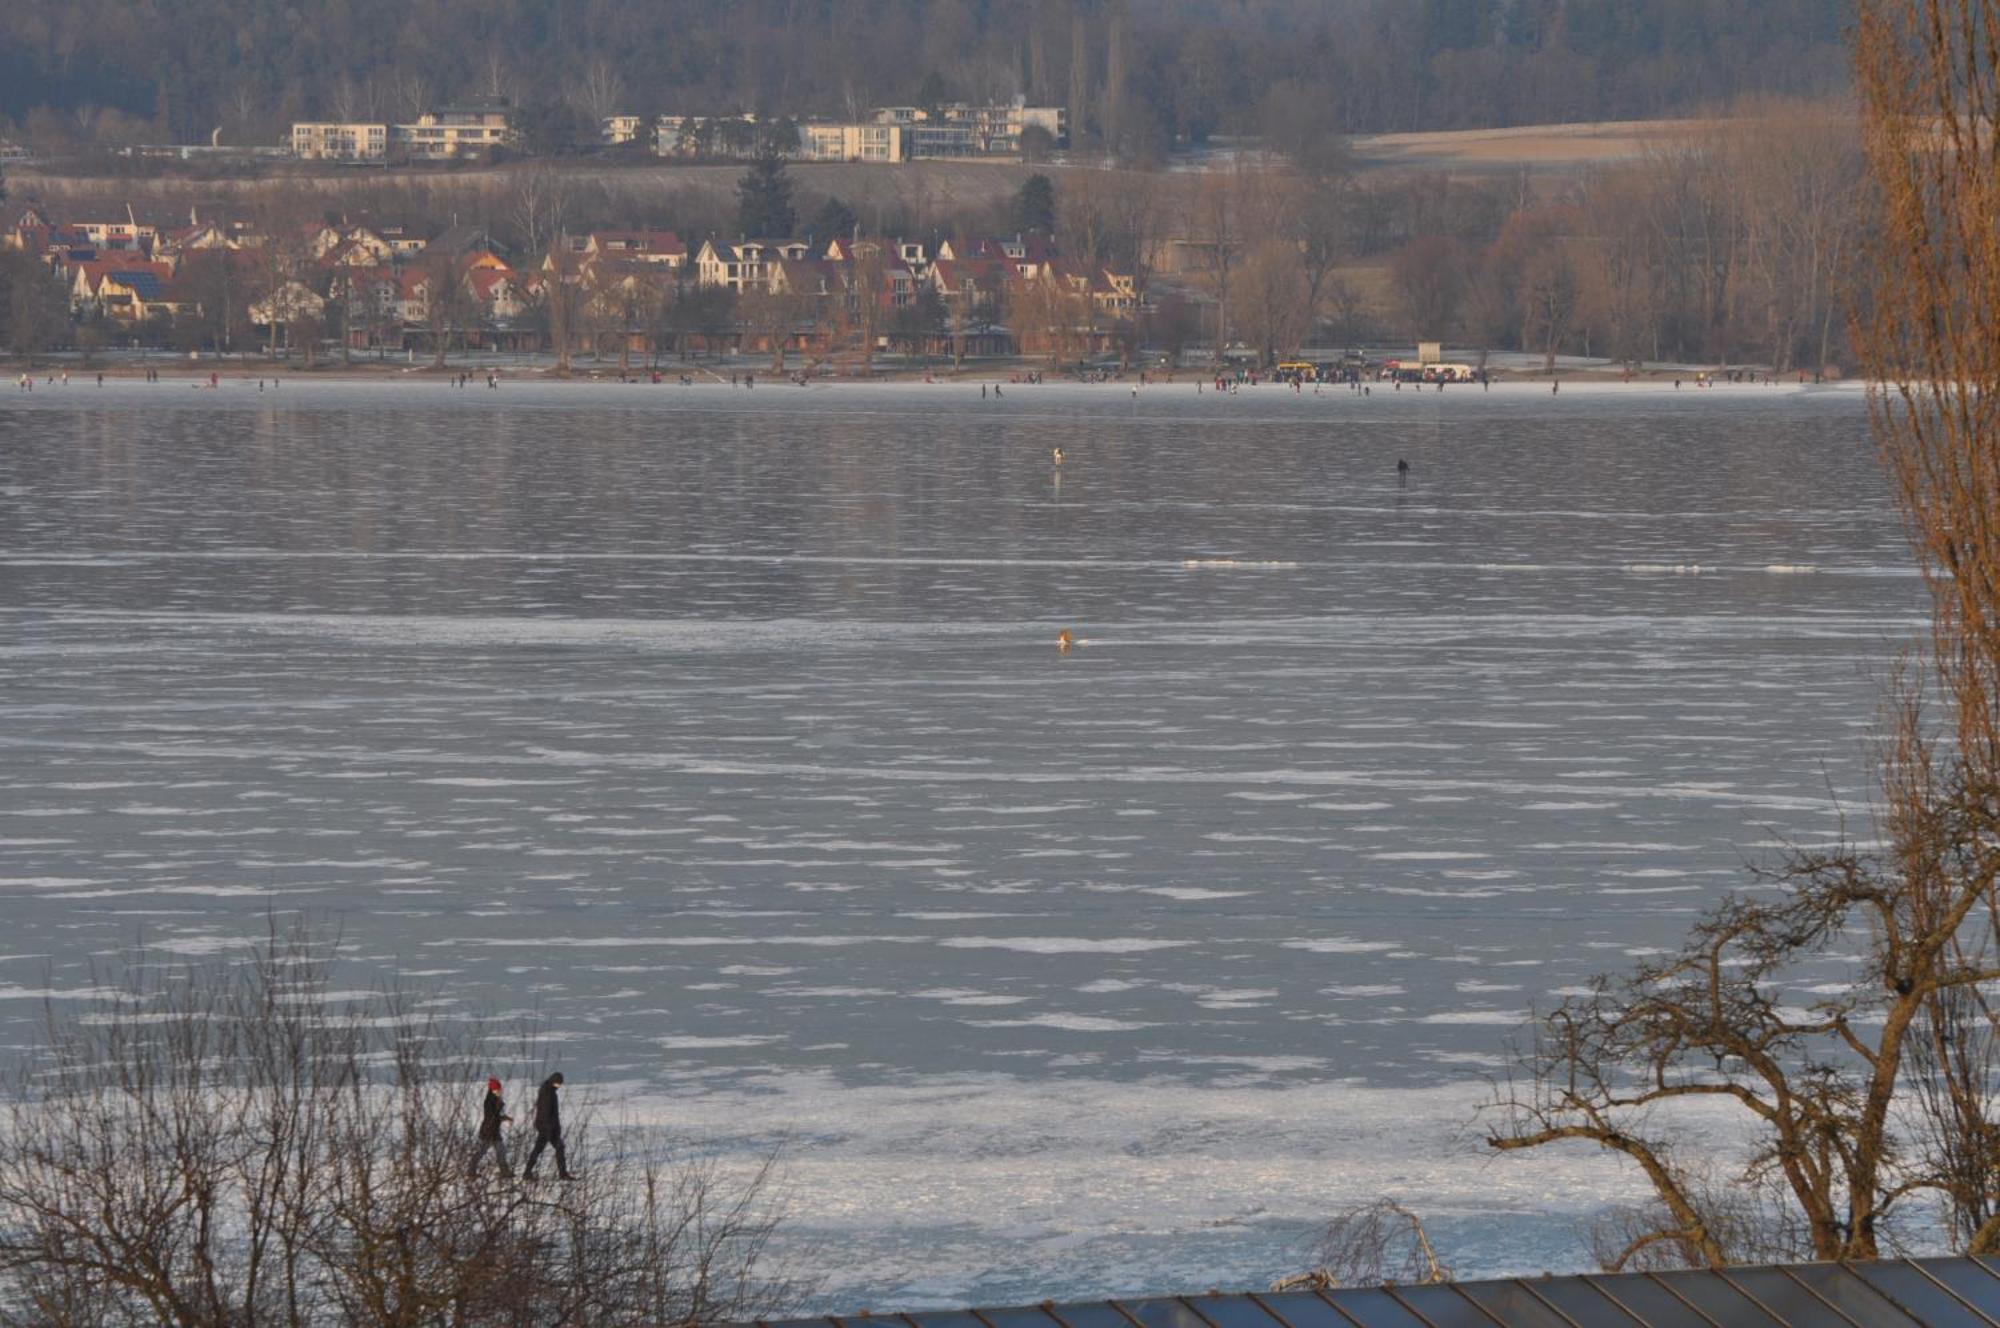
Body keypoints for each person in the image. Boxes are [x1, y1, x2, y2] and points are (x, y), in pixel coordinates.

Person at [523, 1071, 573, 1180]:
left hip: (546, 1126)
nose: (559, 1085)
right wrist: (550, 1129)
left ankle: (527, 1172)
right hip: (547, 1127)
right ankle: (562, 1174)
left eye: (560, 1083)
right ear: (553, 1081)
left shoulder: (548, 1090)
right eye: (558, 1083)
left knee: (539, 1149)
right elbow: (545, 1112)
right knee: (557, 1147)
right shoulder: (548, 1093)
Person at [470, 1077, 513, 1178]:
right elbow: (492, 1117)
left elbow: (498, 1115)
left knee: (501, 1151)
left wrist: (506, 1117)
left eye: (500, 1089)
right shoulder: (489, 1102)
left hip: (494, 1131)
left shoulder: (497, 1100)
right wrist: (503, 1117)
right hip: (488, 1131)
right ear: (492, 1090)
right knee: (481, 1151)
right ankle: (471, 1171)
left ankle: (505, 1172)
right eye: (497, 1089)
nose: (499, 1091)